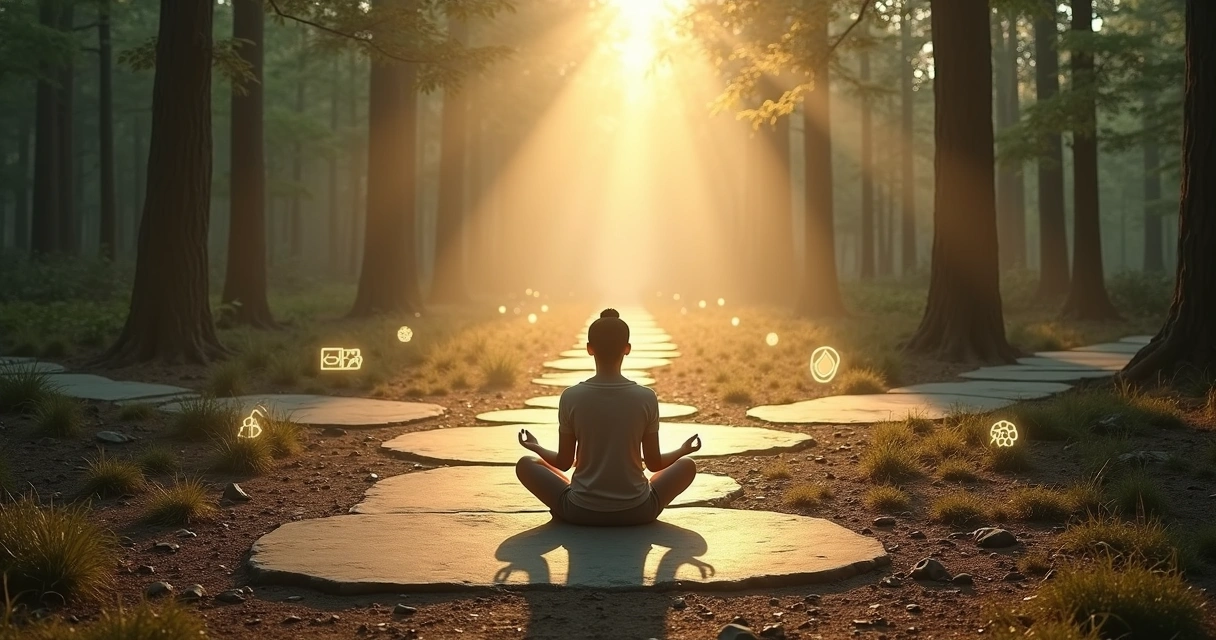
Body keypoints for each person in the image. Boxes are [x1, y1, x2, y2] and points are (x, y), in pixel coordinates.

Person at [515, 308, 701, 526]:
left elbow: (564, 463)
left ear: (589, 349)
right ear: (627, 349)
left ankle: (578, 495)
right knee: (687, 464)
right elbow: (654, 463)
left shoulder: (571, 397)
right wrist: (683, 450)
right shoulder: (646, 397)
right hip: (638, 512)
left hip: (579, 512)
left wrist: (536, 446)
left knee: (526, 464)